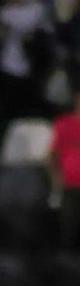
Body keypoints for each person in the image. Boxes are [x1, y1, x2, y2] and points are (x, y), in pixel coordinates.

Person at [52, 91, 80, 250]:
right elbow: (52, 156)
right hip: (69, 183)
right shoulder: (64, 124)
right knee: (69, 226)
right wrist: (56, 178)